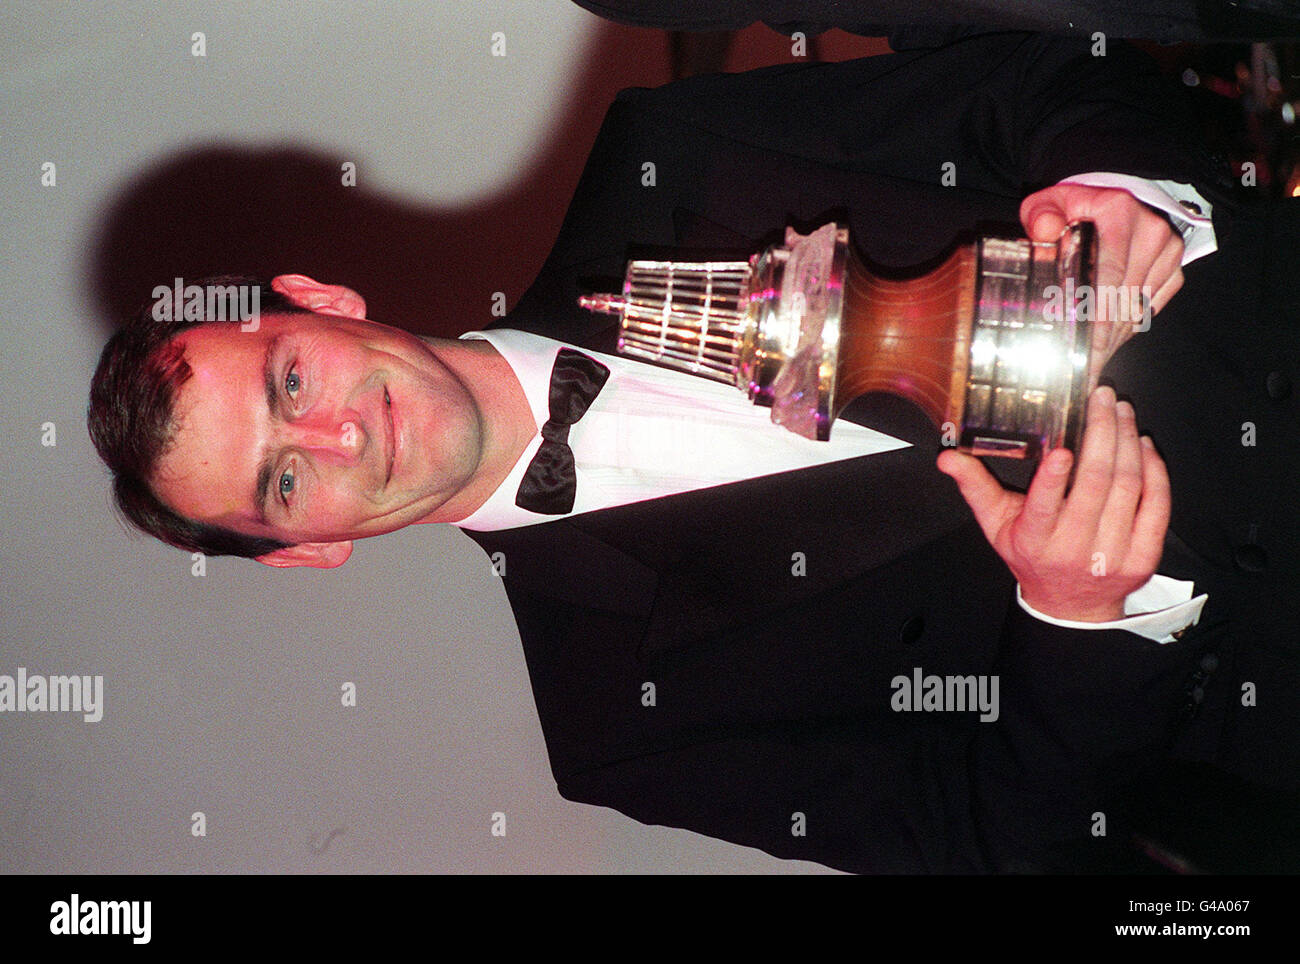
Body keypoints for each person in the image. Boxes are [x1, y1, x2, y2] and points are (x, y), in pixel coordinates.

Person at [88, 32, 1298, 871]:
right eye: (284, 480)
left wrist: (1117, 188)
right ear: (310, 552)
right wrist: (1083, 619)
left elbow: (1035, 80)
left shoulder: (665, 149)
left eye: (290, 379)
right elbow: (1008, 843)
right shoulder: (618, 728)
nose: (337, 431)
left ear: (323, 302)